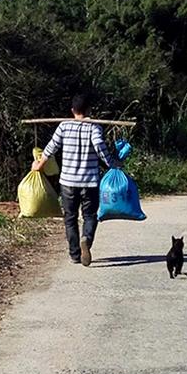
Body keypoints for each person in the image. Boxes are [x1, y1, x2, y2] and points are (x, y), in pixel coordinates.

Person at [31, 94, 116, 266]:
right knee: (90, 215)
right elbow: (100, 147)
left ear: (72, 110)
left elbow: (51, 147)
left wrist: (39, 164)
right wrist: (112, 164)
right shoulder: (94, 128)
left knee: (70, 218)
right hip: (90, 182)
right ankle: (87, 239)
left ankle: (75, 254)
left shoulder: (64, 126)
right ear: (89, 110)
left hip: (68, 182)